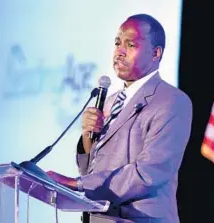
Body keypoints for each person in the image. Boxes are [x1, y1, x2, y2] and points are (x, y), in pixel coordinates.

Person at [47, 13, 192, 223]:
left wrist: (78, 184)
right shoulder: (109, 101)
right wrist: (88, 138)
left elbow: (148, 173)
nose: (119, 52)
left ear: (155, 53)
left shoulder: (172, 101)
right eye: (117, 43)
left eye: (130, 45)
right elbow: (91, 170)